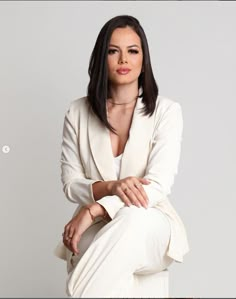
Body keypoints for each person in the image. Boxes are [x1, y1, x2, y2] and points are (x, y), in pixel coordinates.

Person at [54, 15, 190, 298]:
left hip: (150, 223)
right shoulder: (77, 112)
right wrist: (112, 187)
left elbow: (158, 184)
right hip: (95, 227)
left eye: (132, 51)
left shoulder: (167, 112)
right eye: (113, 51)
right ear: (101, 58)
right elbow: (71, 184)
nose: (123, 59)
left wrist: (95, 208)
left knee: (132, 217)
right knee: (96, 251)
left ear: (144, 60)